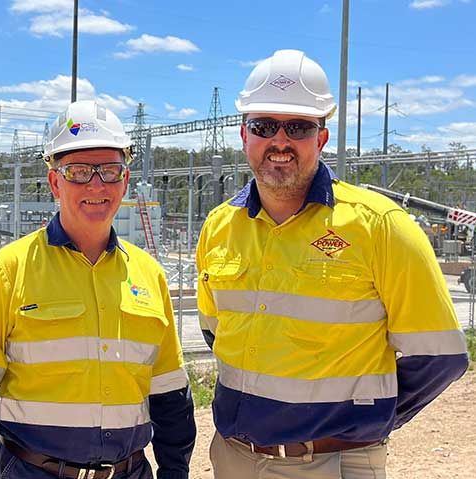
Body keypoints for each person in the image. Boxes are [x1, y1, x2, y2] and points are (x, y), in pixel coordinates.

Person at [196, 49, 469, 479]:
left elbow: (440, 356)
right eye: (264, 126)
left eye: (299, 127)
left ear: (321, 139)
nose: (280, 142)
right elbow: (216, 333)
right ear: (243, 135)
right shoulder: (219, 226)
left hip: (333, 463)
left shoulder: (379, 227)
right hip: (233, 459)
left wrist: (365, 424)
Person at [0, 100, 196, 479]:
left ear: (125, 181)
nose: (96, 185)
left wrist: (175, 472)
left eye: (110, 171)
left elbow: (170, 395)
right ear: (54, 182)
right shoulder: (8, 270)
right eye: (78, 171)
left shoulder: (149, 274)